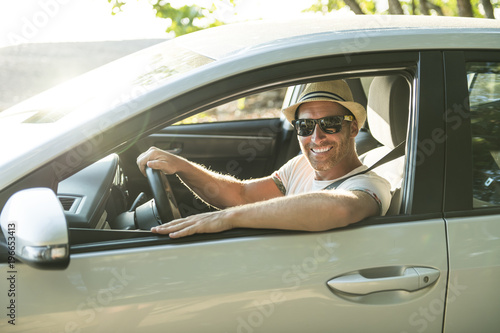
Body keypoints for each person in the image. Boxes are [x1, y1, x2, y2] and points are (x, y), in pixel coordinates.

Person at [136, 80, 391, 238]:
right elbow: (241, 195)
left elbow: (341, 207)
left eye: (331, 124)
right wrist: (181, 166)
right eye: (305, 126)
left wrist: (228, 218)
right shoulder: (300, 165)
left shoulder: (369, 185)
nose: (316, 137)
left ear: (354, 128)